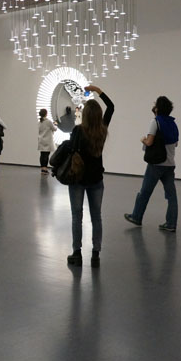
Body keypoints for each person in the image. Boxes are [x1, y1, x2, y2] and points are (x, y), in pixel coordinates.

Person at [65, 85, 114, 268]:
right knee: (96, 217)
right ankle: (95, 255)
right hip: (96, 180)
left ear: (84, 115)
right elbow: (111, 107)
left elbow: (71, 152)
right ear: (99, 116)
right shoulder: (102, 130)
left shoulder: (78, 131)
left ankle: (77, 254)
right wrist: (97, 90)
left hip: (78, 180)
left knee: (76, 216)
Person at [124, 96, 180, 232]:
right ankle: (171, 223)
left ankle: (136, 216)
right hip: (170, 164)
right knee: (171, 196)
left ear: (157, 108)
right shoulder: (173, 124)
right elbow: (176, 144)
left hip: (156, 164)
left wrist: (143, 140)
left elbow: (149, 142)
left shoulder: (155, 122)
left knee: (145, 192)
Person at [38, 108, 56, 175]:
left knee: (42, 155)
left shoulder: (39, 122)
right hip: (47, 141)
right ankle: (45, 169)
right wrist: (55, 124)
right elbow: (54, 129)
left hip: (41, 140)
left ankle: (42, 169)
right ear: (46, 114)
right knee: (46, 155)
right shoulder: (48, 122)